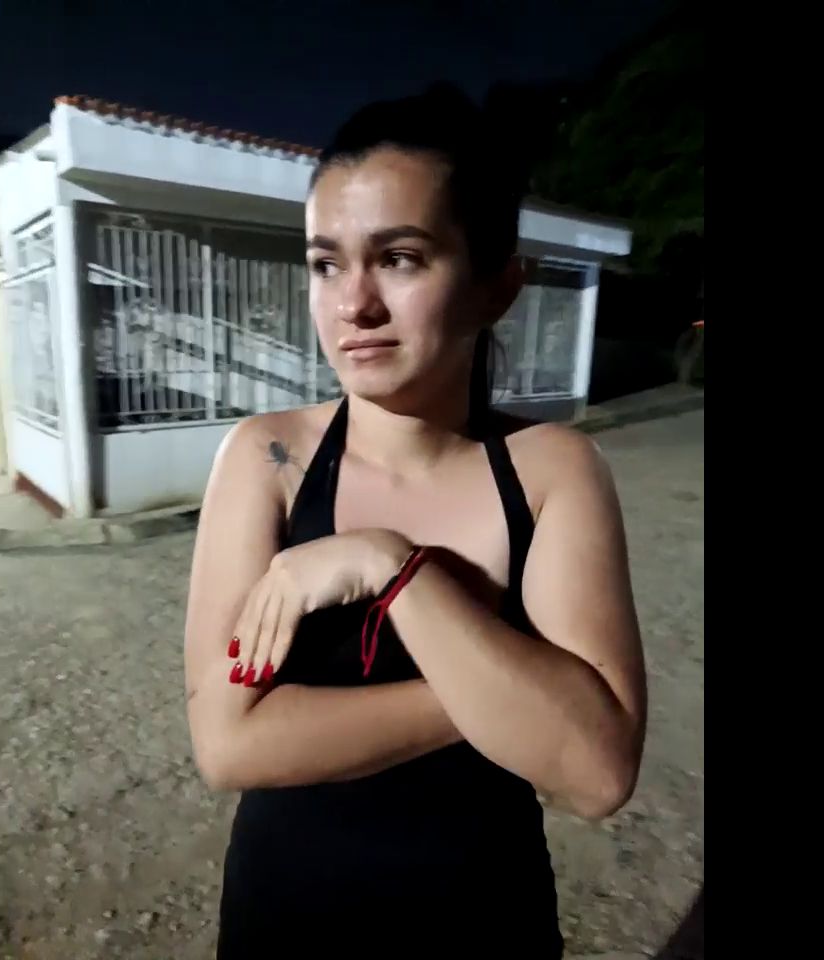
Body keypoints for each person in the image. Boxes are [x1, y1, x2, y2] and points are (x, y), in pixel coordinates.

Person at [184, 84, 647, 959]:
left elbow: (596, 774)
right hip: (288, 922)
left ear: (496, 285)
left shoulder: (549, 472)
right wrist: (500, 698)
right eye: (326, 264)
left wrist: (391, 568)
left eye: (399, 258)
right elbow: (227, 743)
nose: (353, 304)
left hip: (486, 923)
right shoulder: (267, 460)